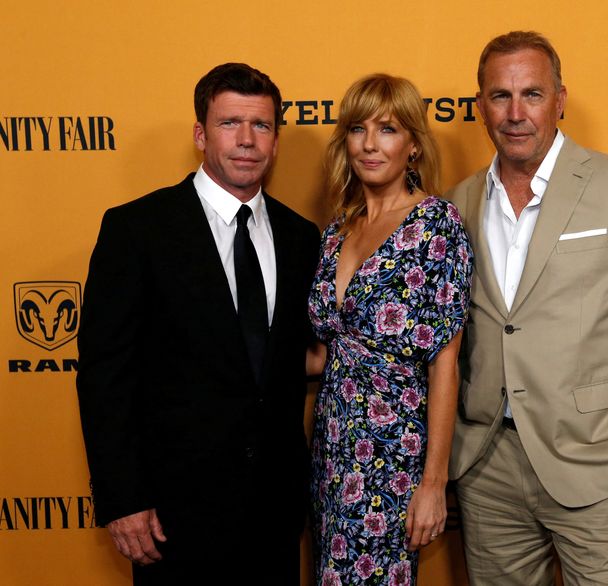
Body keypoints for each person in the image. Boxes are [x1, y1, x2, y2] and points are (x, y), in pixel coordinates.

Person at [448, 31, 608, 585]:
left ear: (559, 99)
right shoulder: (457, 201)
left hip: (595, 459)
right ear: (480, 104)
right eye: (499, 96)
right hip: (488, 467)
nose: (515, 113)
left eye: (531, 94)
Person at [76, 63, 320, 585]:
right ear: (200, 134)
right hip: (170, 516)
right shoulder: (137, 229)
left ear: (276, 140)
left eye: (261, 126)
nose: (247, 140)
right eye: (230, 123)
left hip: (275, 513)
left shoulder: (302, 238)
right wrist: (124, 499)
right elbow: (104, 376)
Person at [306, 73, 473, 585]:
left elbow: (445, 363)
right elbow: (325, 354)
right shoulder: (337, 230)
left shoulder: (435, 225)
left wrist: (432, 481)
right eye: (358, 128)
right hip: (331, 449)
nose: (370, 144)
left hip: (392, 454)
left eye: (388, 129)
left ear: (414, 146)